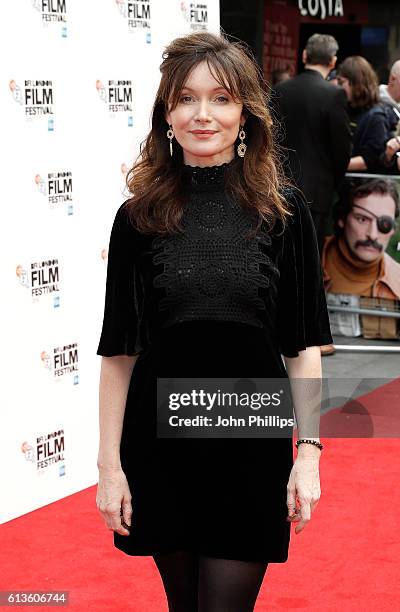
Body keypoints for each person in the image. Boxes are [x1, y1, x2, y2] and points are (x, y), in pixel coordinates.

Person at [96, 31, 332, 612]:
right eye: (186, 99)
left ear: (246, 113)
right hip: (159, 446)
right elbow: (120, 353)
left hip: (250, 441)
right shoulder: (137, 218)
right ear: (166, 114)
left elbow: (301, 347)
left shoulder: (283, 210)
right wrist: (109, 468)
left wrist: (308, 455)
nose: (203, 115)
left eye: (221, 99)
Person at [271, 33, 351, 254]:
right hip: (316, 192)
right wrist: (335, 180)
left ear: (304, 55)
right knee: (309, 258)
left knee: (279, 256)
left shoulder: (279, 90)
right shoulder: (334, 95)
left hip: (278, 186)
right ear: (333, 61)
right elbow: (341, 149)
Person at [322, 178, 400, 338]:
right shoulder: (307, 264)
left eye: (384, 224)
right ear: (342, 218)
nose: (373, 235)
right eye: (362, 219)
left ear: (393, 230)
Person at [336, 56, 391, 173]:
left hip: (362, 186)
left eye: (342, 82)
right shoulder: (346, 109)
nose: (338, 87)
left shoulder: (376, 117)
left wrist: (332, 166)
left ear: (356, 82)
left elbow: (369, 160)